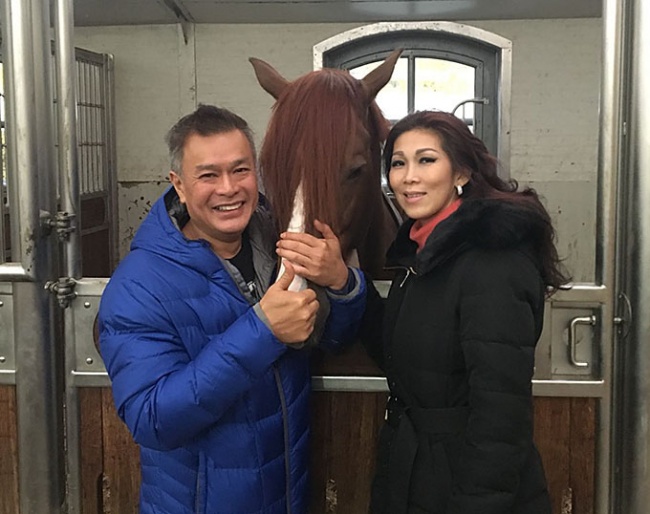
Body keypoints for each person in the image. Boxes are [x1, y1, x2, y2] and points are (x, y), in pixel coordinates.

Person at [98, 104, 366, 514]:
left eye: (241, 170)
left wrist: (341, 283)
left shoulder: (280, 238)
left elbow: (332, 337)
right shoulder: (139, 284)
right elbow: (152, 420)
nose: (228, 188)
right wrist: (262, 331)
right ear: (179, 185)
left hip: (284, 494)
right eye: (208, 175)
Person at [358, 110, 568, 514]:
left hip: (463, 485)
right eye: (398, 163)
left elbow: (500, 418)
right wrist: (345, 284)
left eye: (426, 160)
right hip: (415, 471)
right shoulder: (421, 254)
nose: (408, 177)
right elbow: (401, 352)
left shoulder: (493, 262)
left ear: (462, 173)